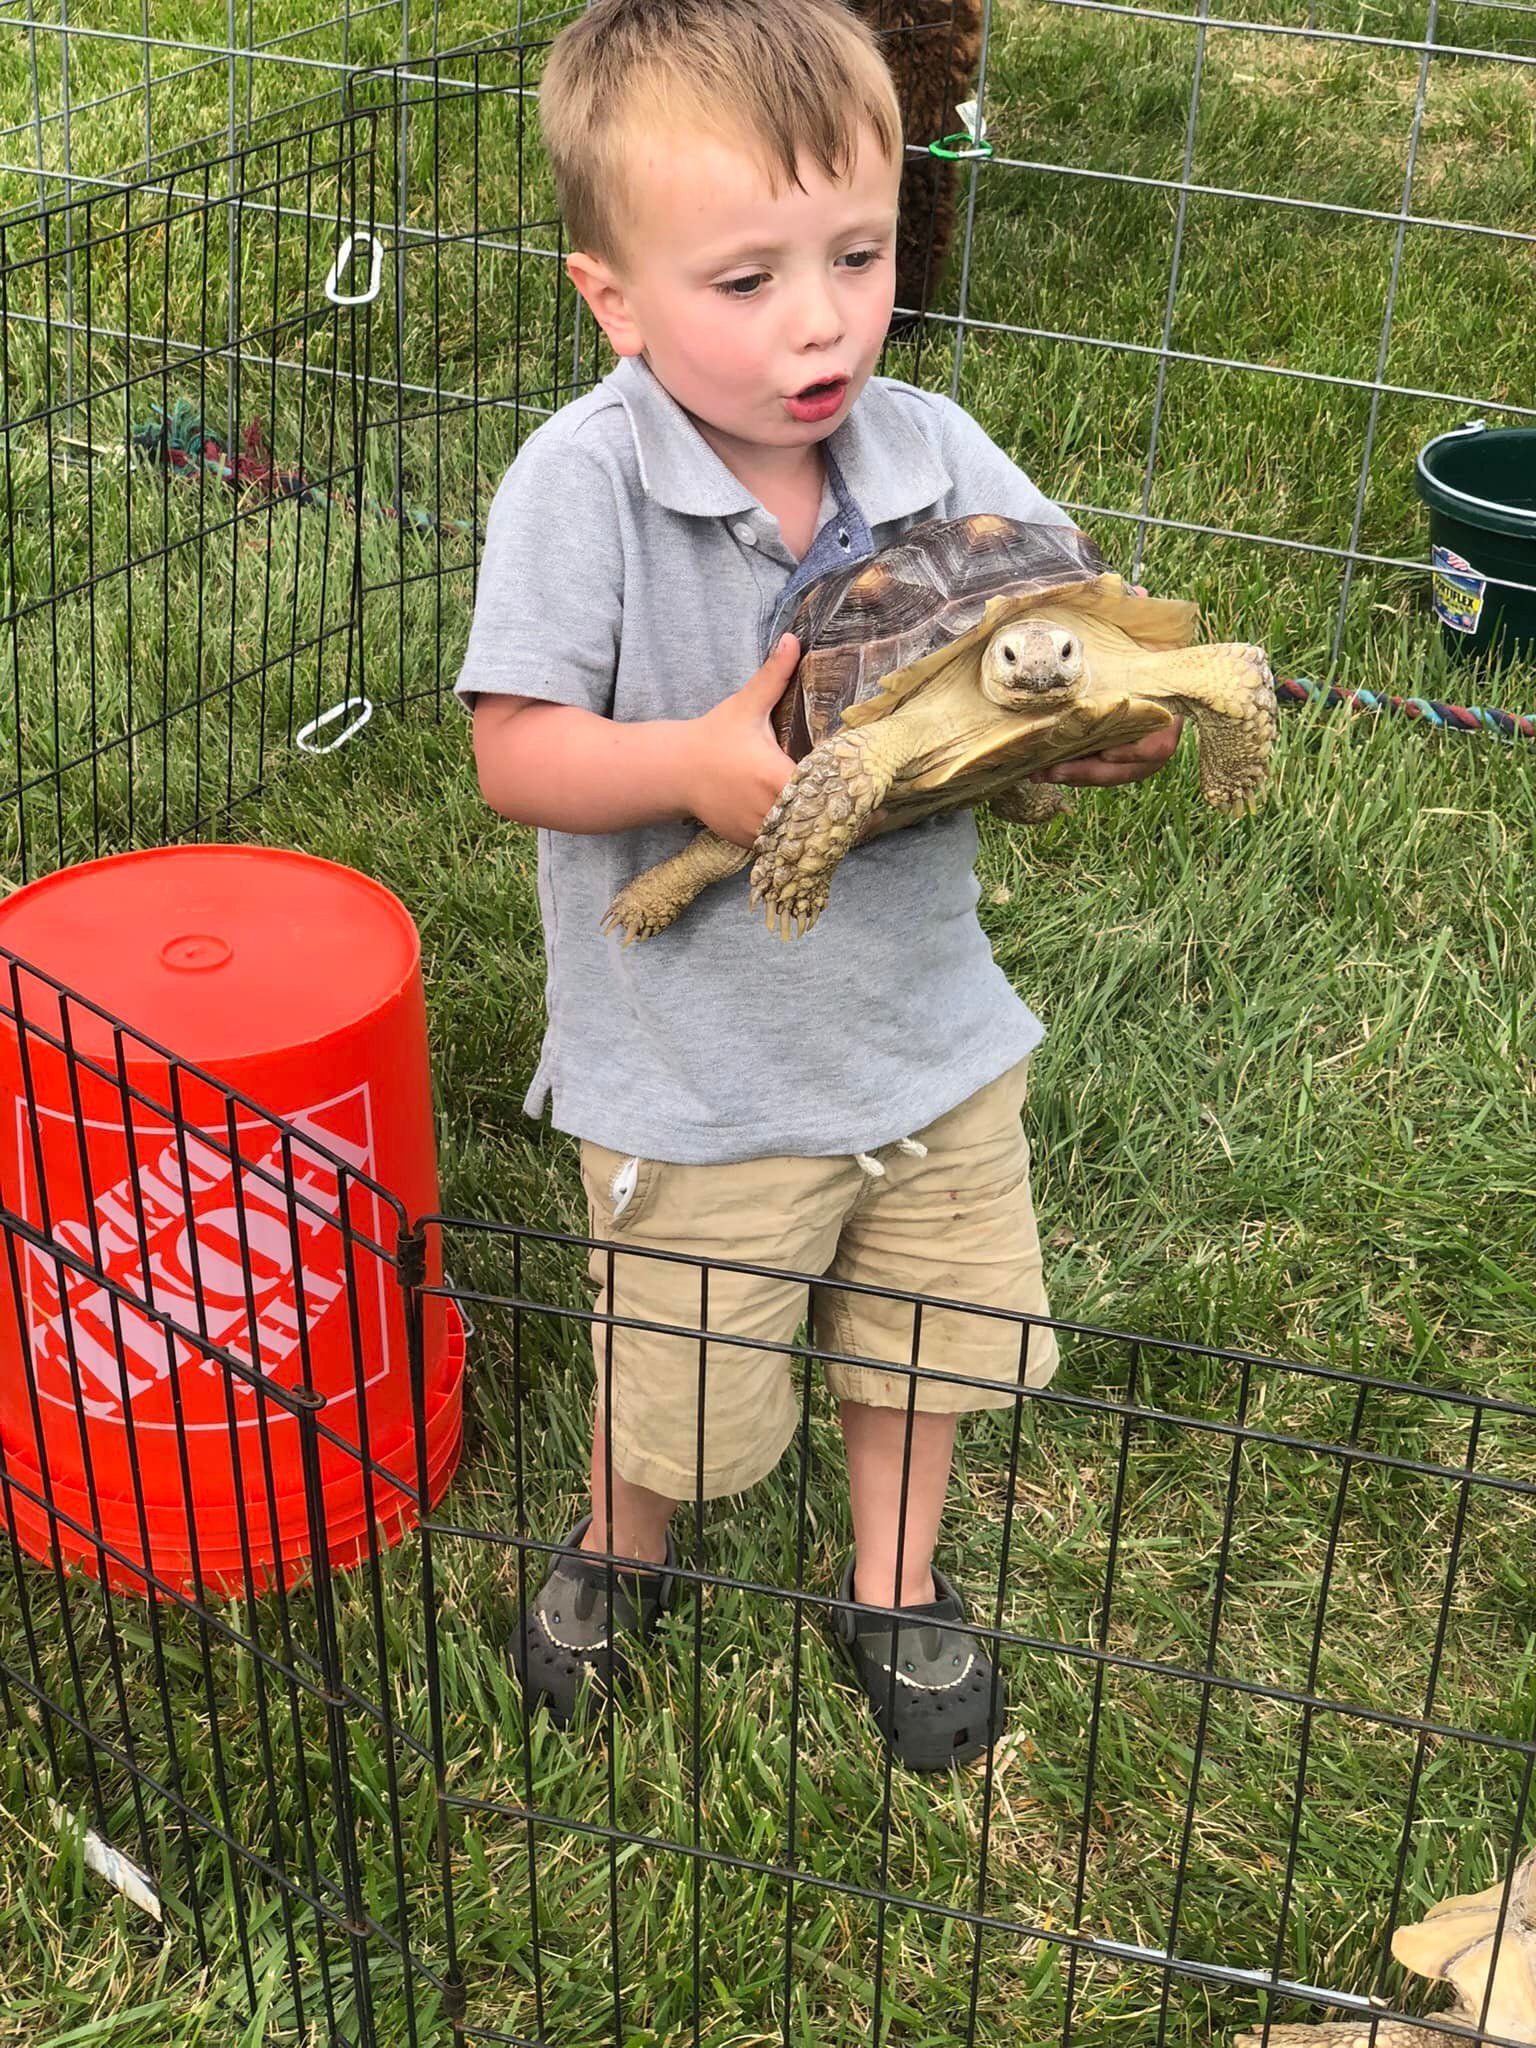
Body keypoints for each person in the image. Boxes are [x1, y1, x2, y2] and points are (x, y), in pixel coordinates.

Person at [456, 0, 1180, 1772]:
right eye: (747, 280)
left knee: (925, 1333)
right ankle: (621, 1543)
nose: (821, 319)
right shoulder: (587, 482)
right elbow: (515, 753)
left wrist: (1100, 718)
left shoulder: (929, 446)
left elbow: (1055, 628)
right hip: (696, 1072)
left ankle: (899, 1586)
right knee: (681, 1356)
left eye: (857, 254)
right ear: (612, 297)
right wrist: (689, 768)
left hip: (927, 1039)